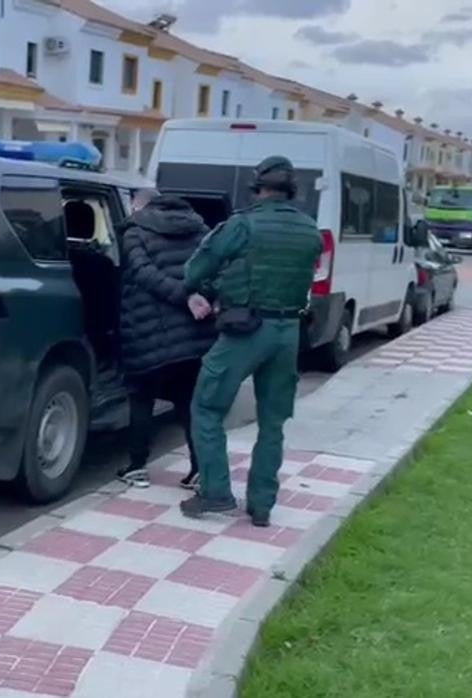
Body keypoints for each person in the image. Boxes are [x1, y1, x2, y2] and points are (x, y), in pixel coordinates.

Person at [178, 156, 323, 527]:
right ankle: (261, 505)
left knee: (207, 408)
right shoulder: (310, 230)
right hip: (288, 331)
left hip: (246, 329)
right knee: (272, 422)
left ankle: (215, 493)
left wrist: (206, 288)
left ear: (259, 189)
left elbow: (197, 268)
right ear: (291, 191)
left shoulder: (244, 224)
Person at [116, 189, 217, 489]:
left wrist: (183, 296)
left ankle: (136, 467)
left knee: (141, 397)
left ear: (140, 205)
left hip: (145, 330)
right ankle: (199, 469)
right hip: (194, 333)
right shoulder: (200, 229)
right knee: (188, 401)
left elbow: (142, 272)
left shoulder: (134, 231)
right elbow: (216, 269)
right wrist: (199, 296)